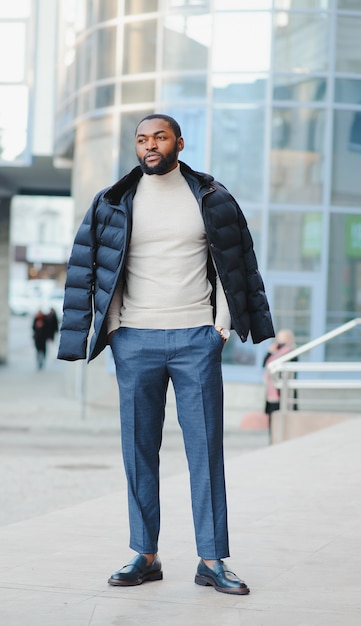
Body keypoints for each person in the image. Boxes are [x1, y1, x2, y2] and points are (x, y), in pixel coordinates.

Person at [58, 114, 274, 594]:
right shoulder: (113, 200)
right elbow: (83, 268)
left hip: (196, 339)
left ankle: (212, 559)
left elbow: (239, 262)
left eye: (158, 137)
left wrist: (222, 326)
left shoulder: (212, 198)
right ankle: (145, 554)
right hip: (135, 339)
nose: (149, 145)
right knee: (138, 452)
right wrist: (109, 329)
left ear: (178, 141)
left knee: (206, 451)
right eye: (141, 139)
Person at [263, 328, 297, 437]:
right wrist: (270, 351)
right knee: (272, 419)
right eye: (278, 338)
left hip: (284, 392)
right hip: (272, 393)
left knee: (286, 420)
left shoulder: (292, 352)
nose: (280, 341)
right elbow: (264, 364)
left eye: (282, 338)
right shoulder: (274, 353)